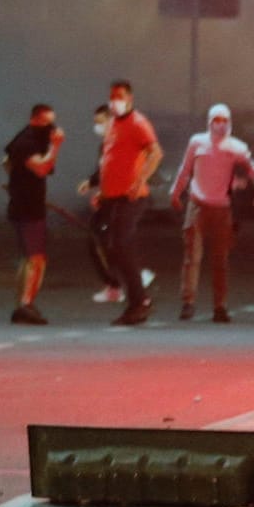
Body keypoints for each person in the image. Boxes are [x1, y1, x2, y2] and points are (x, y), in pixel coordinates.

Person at [170, 104, 254, 323]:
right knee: (192, 257)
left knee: (220, 260)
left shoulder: (236, 147)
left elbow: (252, 169)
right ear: (209, 121)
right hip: (197, 204)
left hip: (222, 208)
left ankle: (220, 306)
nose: (220, 124)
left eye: (224, 120)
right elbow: (185, 169)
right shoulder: (197, 142)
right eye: (216, 120)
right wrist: (175, 192)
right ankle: (188, 302)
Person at [96, 80, 162, 326]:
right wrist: (101, 191)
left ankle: (139, 301)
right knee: (114, 247)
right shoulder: (113, 124)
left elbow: (155, 152)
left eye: (120, 96)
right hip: (112, 197)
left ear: (130, 99)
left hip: (130, 197)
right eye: (112, 96)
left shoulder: (138, 123)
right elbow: (110, 161)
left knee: (121, 245)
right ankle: (137, 292)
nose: (115, 101)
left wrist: (139, 181)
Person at [4, 104, 63, 324]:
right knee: (35, 259)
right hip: (27, 208)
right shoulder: (26, 142)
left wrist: (15, 182)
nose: (52, 128)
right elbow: (42, 168)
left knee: (29, 259)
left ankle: (23, 302)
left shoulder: (32, 141)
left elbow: (7, 162)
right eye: (48, 123)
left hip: (28, 204)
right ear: (35, 120)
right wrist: (56, 147)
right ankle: (25, 305)